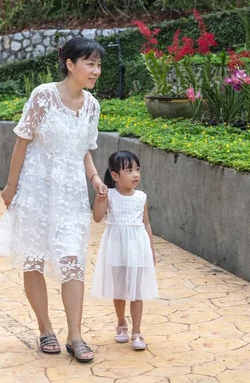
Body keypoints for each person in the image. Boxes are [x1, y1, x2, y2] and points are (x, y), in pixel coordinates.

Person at [0, 37, 107, 362]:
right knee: (34, 259)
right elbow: (22, 142)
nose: (96, 71)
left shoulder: (93, 106)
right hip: (36, 190)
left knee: (73, 262)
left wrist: (96, 179)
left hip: (71, 194)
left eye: (98, 65)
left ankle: (75, 336)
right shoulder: (43, 95)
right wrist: (11, 187)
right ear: (70, 64)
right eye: (90, 63)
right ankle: (45, 329)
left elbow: (84, 150)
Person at [90, 150, 159, 351]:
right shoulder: (109, 195)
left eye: (137, 169)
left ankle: (137, 331)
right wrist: (99, 199)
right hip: (116, 246)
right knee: (119, 288)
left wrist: (151, 250)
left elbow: (146, 224)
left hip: (137, 246)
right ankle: (121, 323)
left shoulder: (141, 197)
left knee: (136, 290)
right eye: (129, 170)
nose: (135, 174)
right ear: (115, 176)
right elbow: (97, 217)